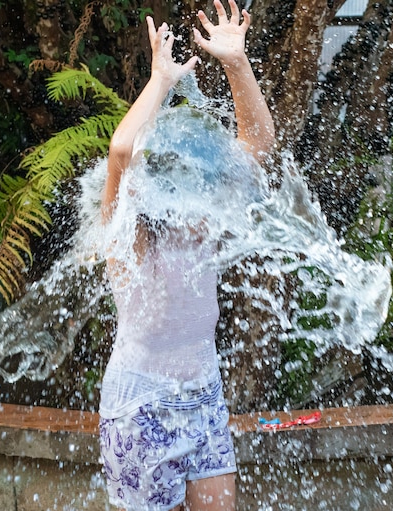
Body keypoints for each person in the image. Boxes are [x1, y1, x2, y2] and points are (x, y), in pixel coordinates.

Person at [98, 1, 275, 510]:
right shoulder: (127, 238)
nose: (211, 197)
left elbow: (259, 147)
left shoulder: (205, 228)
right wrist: (160, 80)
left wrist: (236, 64)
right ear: (164, 194)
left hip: (202, 398)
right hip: (139, 406)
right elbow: (122, 152)